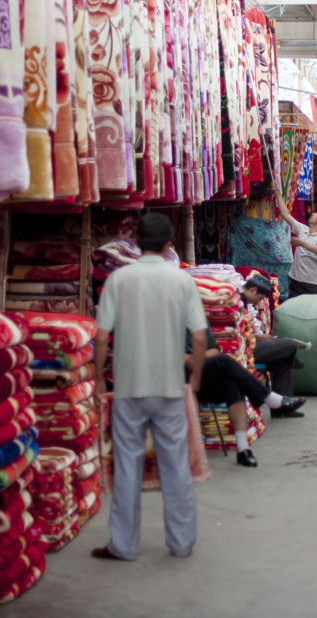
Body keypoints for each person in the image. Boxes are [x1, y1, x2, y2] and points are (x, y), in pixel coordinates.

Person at [91, 214, 206, 561]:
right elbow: (200, 337)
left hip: (129, 387)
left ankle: (123, 546)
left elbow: (100, 336)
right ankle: (182, 543)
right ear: (170, 244)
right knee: (175, 466)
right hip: (169, 387)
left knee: (127, 466)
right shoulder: (181, 279)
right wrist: (195, 379)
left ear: (137, 243)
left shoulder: (119, 279)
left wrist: (98, 377)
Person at [193, 354, 306, 468]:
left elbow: (214, 349)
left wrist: (198, 356)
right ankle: (269, 398)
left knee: (232, 384)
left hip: (200, 376)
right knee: (224, 360)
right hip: (184, 381)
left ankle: (243, 449)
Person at [240, 274, 307, 407]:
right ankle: (292, 358)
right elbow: (239, 333)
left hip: (250, 345)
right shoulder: (237, 303)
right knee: (289, 343)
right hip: (244, 350)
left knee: (281, 360)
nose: (257, 301)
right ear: (253, 290)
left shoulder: (243, 302)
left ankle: (283, 408)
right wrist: (260, 337)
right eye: (259, 298)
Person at [275, 195, 317, 298]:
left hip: (311, 284)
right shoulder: (302, 229)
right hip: (294, 280)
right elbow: (285, 214)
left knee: (310, 308)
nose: (313, 213)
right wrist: (278, 193)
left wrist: (302, 243)